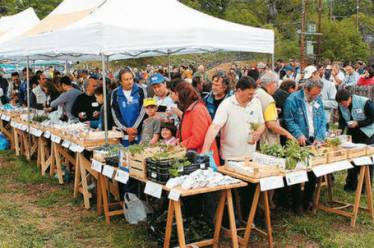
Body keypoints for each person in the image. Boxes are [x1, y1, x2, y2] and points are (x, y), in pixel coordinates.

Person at [284, 79, 326, 210]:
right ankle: (296, 204)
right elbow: (289, 120)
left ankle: (308, 201)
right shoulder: (293, 99)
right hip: (299, 141)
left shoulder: (318, 100)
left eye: (317, 94)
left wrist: (319, 137)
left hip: (314, 141)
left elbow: (323, 120)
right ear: (306, 90)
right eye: (313, 95)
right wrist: (298, 134)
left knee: (312, 172)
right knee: (298, 172)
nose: (315, 97)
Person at [201, 76, 265, 160]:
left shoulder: (256, 102)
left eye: (253, 94)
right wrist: (205, 150)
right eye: (249, 94)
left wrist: (258, 132)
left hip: (250, 156)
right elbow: (214, 127)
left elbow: (262, 124)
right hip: (230, 158)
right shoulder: (226, 104)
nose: (252, 96)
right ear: (239, 91)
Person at [172, 81, 219, 164]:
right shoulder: (191, 108)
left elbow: (198, 138)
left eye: (175, 94)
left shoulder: (198, 109)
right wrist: (180, 140)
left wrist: (182, 144)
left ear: (182, 95)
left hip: (202, 158)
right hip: (194, 156)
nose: (174, 97)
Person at [336, 89, 374, 191]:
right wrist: (340, 129)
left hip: (367, 134)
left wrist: (358, 123)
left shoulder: (365, 102)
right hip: (352, 134)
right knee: (352, 159)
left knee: (366, 160)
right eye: (340, 104)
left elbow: (372, 117)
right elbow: (342, 120)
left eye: (344, 104)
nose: (343, 106)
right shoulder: (340, 104)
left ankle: (365, 187)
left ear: (349, 98)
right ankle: (351, 185)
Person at [256, 71, 295, 145]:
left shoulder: (256, 93)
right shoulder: (268, 98)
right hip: (265, 141)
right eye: (276, 85)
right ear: (272, 84)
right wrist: (287, 134)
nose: (277, 88)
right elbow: (271, 124)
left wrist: (274, 110)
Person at [111, 69, 146, 146]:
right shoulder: (115, 93)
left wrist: (134, 128)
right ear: (120, 82)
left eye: (131, 78)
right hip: (123, 134)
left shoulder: (141, 90)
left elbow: (143, 111)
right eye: (126, 79)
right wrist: (126, 129)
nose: (130, 81)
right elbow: (115, 114)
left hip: (139, 132)